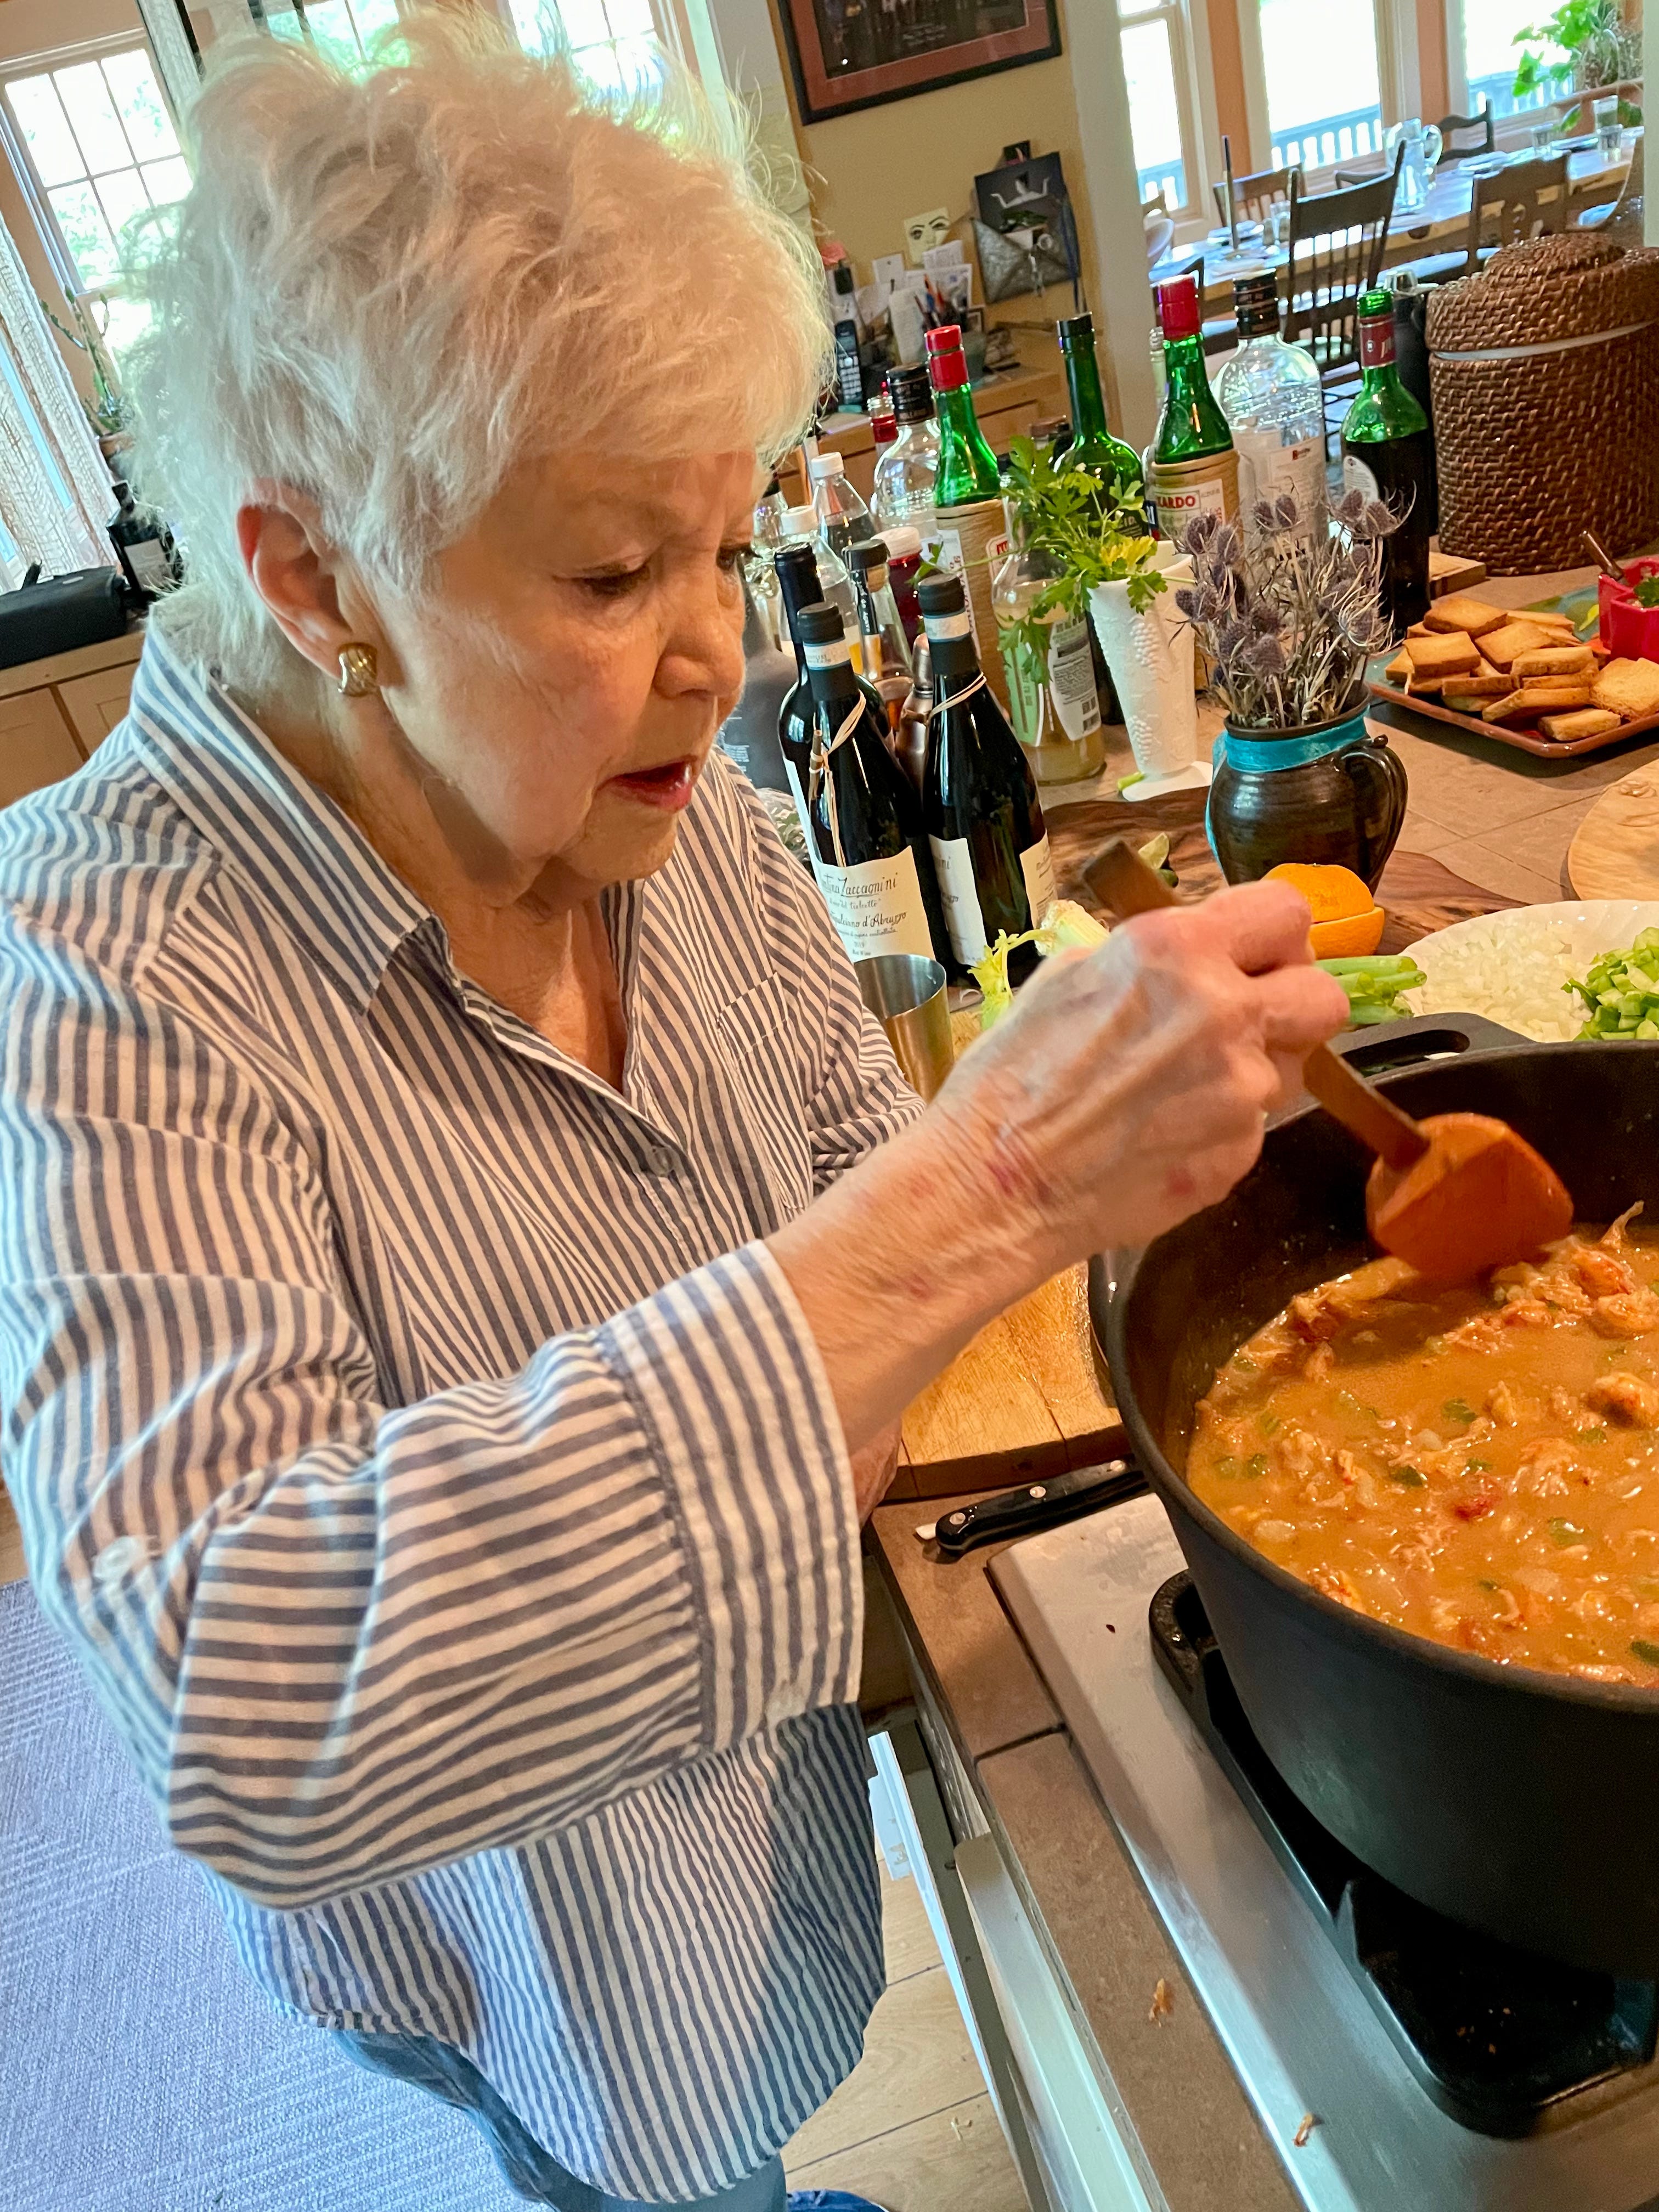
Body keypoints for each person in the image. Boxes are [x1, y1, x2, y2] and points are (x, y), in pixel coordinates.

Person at [0, 18, 1346, 2211]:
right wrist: (978, 1189)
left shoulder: (674, 814)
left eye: (727, 550)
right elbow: (259, 1707)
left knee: (765, 2079)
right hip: (522, 1932)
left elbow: (831, 1151)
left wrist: (1051, 1176)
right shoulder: (91, 963)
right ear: (318, 578)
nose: (720, 655)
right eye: (613, 577)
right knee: (644, 2155)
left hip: (756, 1768)